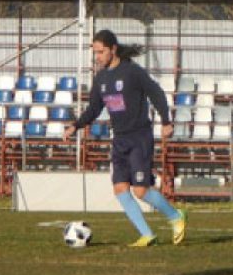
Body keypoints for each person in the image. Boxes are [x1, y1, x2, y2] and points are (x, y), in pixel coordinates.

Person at [64, 29, 186, 247]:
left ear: (113, 49)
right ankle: (147, 235)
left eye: (101, 52)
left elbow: (156, 93)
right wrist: (76, 125)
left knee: (140, 191)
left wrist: (166, 121)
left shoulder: (132, 72)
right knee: (120, 189)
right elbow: (93, 108)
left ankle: (176, 217)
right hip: (119, 139)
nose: (97, 57)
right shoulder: (100, 78)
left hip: (139, 136)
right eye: (95, 53)